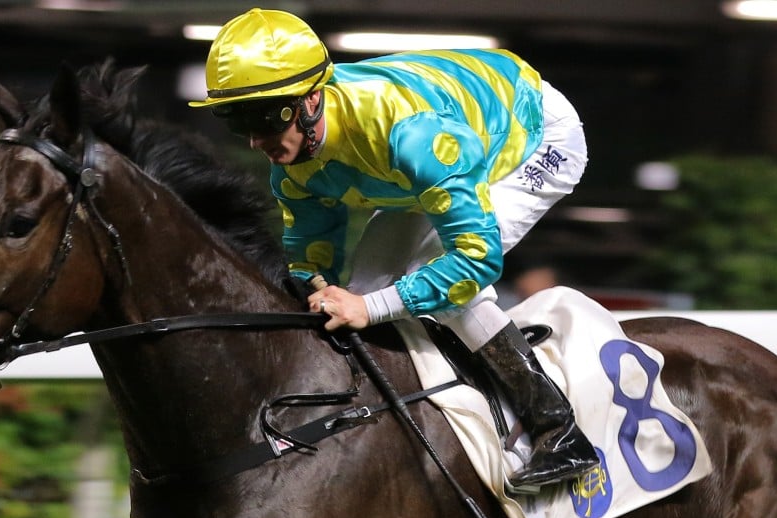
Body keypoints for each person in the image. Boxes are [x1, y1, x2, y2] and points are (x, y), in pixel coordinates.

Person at [191, 8, 598, 488]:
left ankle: (559, 431)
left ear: (311, 100)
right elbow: (312, 256)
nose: (259, 141)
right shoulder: (296, 161)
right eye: (239, 123)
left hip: (531, 136)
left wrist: (370, 306)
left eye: (266, 119)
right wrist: (319, 288)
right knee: (364, 288)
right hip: (427, 159)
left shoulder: (413, 137)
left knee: (427, 279)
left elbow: (474, 261)